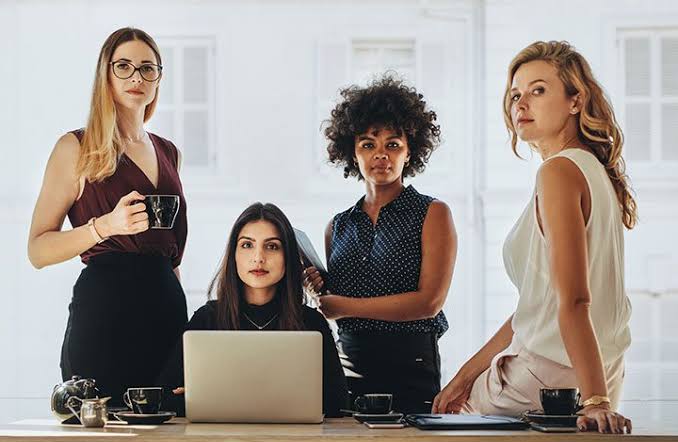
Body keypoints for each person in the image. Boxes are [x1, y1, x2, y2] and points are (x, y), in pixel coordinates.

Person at [432, 41, 635, 434]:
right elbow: (538, 308)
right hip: (600, 370)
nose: (521, 103)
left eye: (538, 90)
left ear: (576, 100)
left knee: (442, 431)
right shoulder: (594, 172)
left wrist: (595, 402)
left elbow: (575, 299)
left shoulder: (558, 173)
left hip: (547, 378)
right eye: (515, 95)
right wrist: (465, 375)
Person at [27, 27, 188, 406]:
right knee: (102, 432)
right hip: (106, 313)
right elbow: (37, 250)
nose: (137, 77)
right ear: (106, 74)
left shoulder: (169, 151)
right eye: (125, 66)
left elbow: (170, 252)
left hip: (166, 310)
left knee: (171, 434)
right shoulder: (75, 147)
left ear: (159, 78)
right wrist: (105, 227)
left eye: (148, 68)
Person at [305, 75, 457, 414]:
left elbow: (428, 302)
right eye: (368, 144)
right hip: (349, 361)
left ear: (410, 151)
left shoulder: (432, 213)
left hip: (412, 362)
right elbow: (348, 296)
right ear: (351, 151)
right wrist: (323, 288)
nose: (381, 155)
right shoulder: (338, 225)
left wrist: (342, 305)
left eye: (393, 144)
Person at [159, 203, 348, 417]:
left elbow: (338, 404)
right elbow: (164, 396)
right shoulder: (207, 319)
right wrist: (193, 399)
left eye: (272, 246)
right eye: (247, 245)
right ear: (234, 255)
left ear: (288, 257)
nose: (258, 257)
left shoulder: (311, 322)